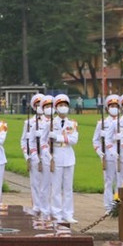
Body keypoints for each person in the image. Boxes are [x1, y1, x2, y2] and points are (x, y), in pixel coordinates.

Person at [50, 93, 79, 224]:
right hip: (55, 155)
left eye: (65, 105)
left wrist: (58, 137)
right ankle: (56, 213)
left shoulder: (72, 123)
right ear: (56, 108)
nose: (63, 108)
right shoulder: (51, 122)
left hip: (68, 155)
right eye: (60, 105)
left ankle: (68, 213)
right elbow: (45, 140)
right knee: (56, 187)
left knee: (68, 187)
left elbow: (74, 140)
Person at [93, 94, 122, 214]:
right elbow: (95, 140)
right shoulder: (102, 123)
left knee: (121, 181)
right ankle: (108, 206)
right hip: (108, 156)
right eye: (111, 106)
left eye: (116, 106)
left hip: (121, 155)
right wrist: (100, 153)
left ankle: (119, 205)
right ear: (107, 108)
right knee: (109, 181)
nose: (114, 108)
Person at [20, 93, 46, 217]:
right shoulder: (29, 122)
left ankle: (47, 206)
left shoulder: (51, 121)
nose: (39, 106)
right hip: (34, 155)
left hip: (47, 156)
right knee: (35, 182)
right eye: (37, 104)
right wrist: (28, 156)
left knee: (48, 183)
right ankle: (36, 206)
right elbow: (24, 140)